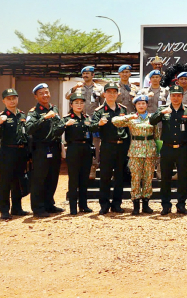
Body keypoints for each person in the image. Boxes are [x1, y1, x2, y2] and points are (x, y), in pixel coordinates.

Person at [150, 85, 187, 215]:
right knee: (165, 178)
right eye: (173, 95)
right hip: (167, 148)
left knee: (183, 178)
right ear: (170, 96)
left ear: (182, 96)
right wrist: (161, 113)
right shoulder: (163, 109)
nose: (176, 98)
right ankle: (166, 205)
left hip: (182, 149)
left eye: (178, 95)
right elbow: (152, 121)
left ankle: (181, 205)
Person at [112, 95, 158, 215]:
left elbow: (157, 135)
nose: (141, 106)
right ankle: (136, 205)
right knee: (136, 178)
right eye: (139, 104)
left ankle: (146, 204)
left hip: (150, 151)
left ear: (147, 105)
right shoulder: (132, 118)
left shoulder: (152, 118)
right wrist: (129, 116)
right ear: (135, 105)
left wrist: (158, 151)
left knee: (148, 178)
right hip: (135, 151)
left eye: (143, 103)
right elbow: (115, 121)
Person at [51, 90, 94, 215]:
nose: (79, 105)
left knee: (84, 178)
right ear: (71, 105)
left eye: (81, 103)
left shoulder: (87, 118)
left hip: (86, 149)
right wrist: (65, 125)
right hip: (73, 148)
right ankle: (73, 207)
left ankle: (83, 205)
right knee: (74, 178)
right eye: (76, 103)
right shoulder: (67, 118)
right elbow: (56, 132)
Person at [25, 83, 64, 218]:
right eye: (41, 93)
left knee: (52, 177)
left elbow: (58, 125)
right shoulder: (33, 112)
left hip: (54, 146)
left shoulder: (54, 108)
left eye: (46, 92)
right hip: (41, 148)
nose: (45, 95)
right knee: (39, 178)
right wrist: (44, 118)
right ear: (36, 97)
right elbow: (29, 129)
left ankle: (49, 204)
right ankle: (38, 208)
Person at [91, 81, 130, 215]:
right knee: (105, 177)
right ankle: (104, 204)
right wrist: (99, 124)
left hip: (121, 146)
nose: (112, 94)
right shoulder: (100, 111)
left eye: (114, 92)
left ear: (118, 94)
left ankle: (117, 204)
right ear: (104, 94)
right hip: (107, 146)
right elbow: (91, 127)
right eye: (109, 92)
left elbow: (127, 129)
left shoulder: (123, 109)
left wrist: (128, 147)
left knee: (119, 177)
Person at [0, 88, 29, 219]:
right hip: (8, 151)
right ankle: (4, 210)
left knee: (18, 180)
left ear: (17, 99)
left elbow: (26, 134)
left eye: (14, 98)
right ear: (4, 101)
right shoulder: (1, 116)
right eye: (9, 99)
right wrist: (0, 124)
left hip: (21, 151)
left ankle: (17, 208)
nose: (12, 101)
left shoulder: (22, 115)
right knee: (5, 181)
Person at [65, 66, 104, 180]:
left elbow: (103, 104)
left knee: (95, 143)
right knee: (81, 142)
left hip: (93, 119)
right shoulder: (78, 87)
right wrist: (74, 88)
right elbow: (67, 96)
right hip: (80, 119)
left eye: (88, 73)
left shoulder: (99, 88)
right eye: (84, 74)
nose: (85, 75)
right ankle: (82, 166)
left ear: (93, 75)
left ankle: (93, 167)